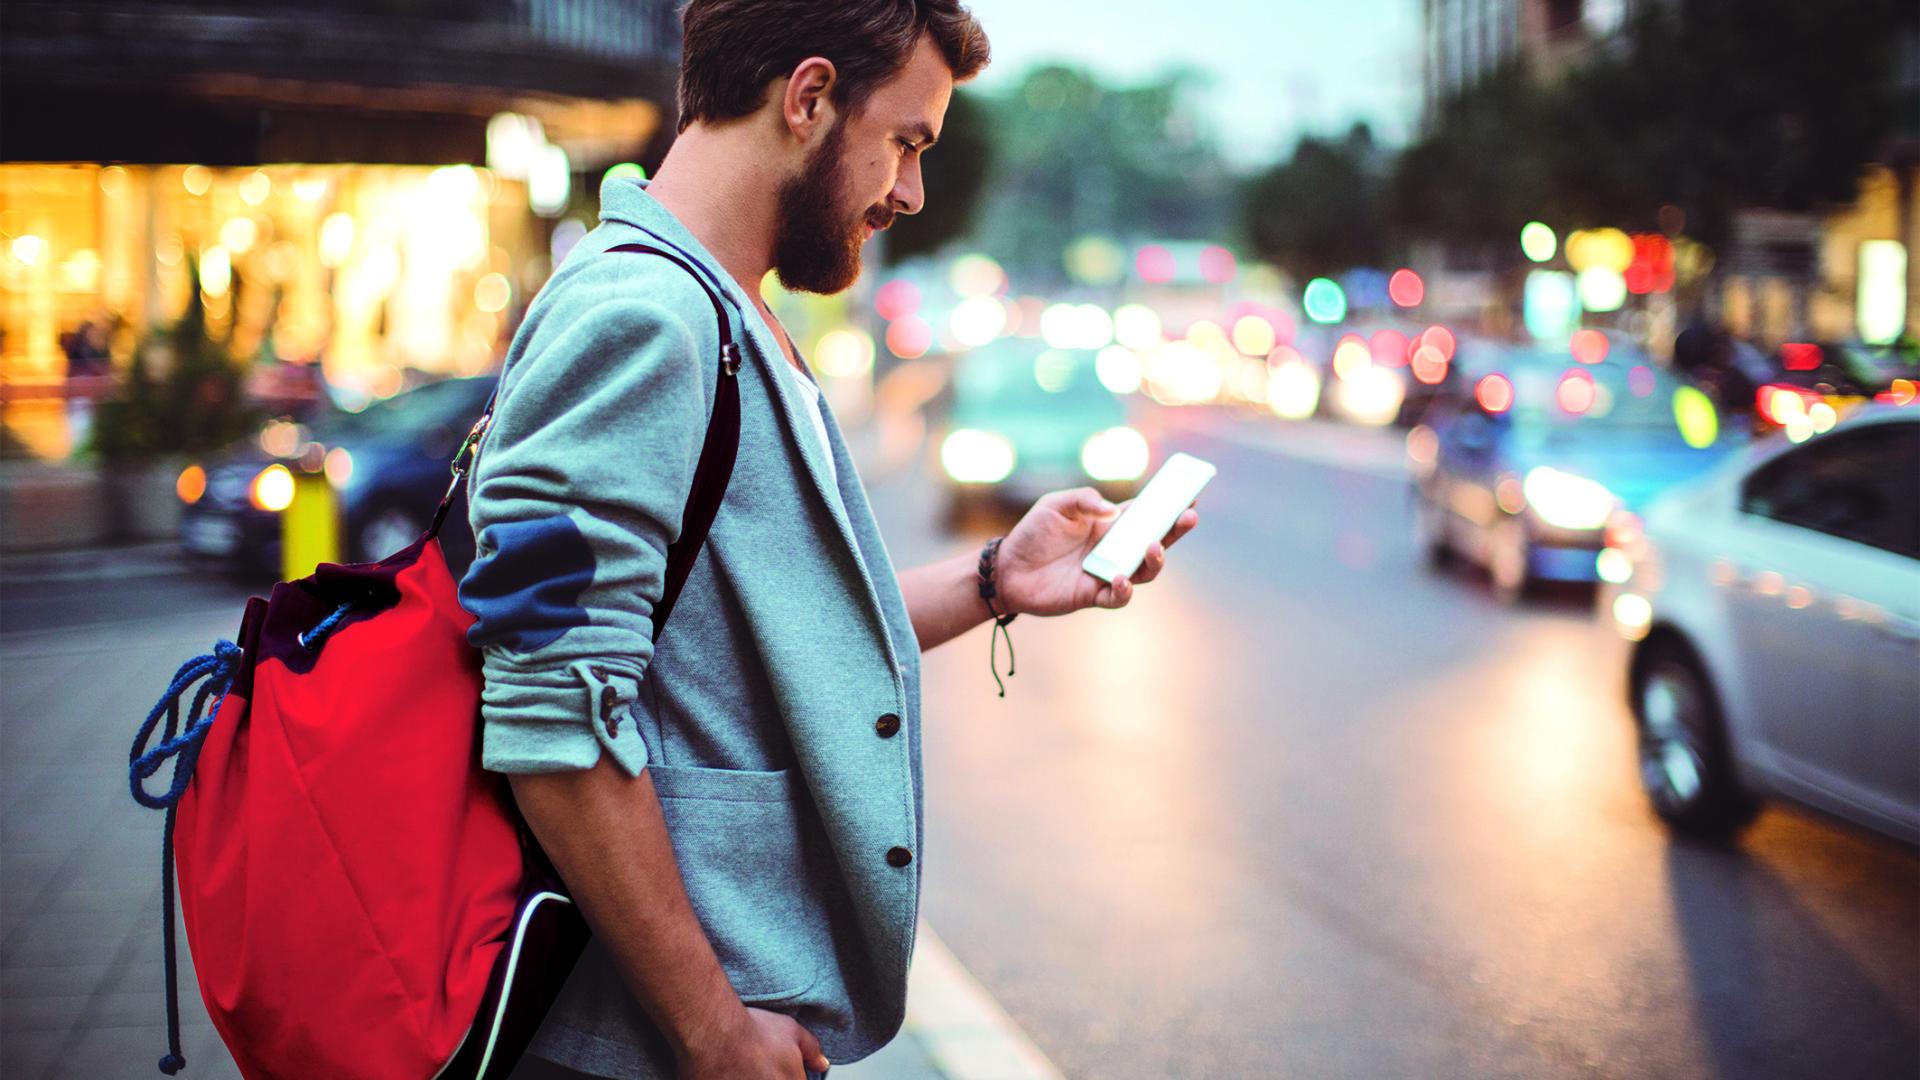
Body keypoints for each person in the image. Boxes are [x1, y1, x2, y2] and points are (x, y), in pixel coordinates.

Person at [458, 3, 1200, 1078]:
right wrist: (709, 1028)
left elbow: (772, 637)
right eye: (906, 142)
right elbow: (550, 709)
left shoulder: (728, 311)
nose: (910, 192)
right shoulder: (638, 316)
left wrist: (996, 576)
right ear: (808, 99)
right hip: (634, 1048)